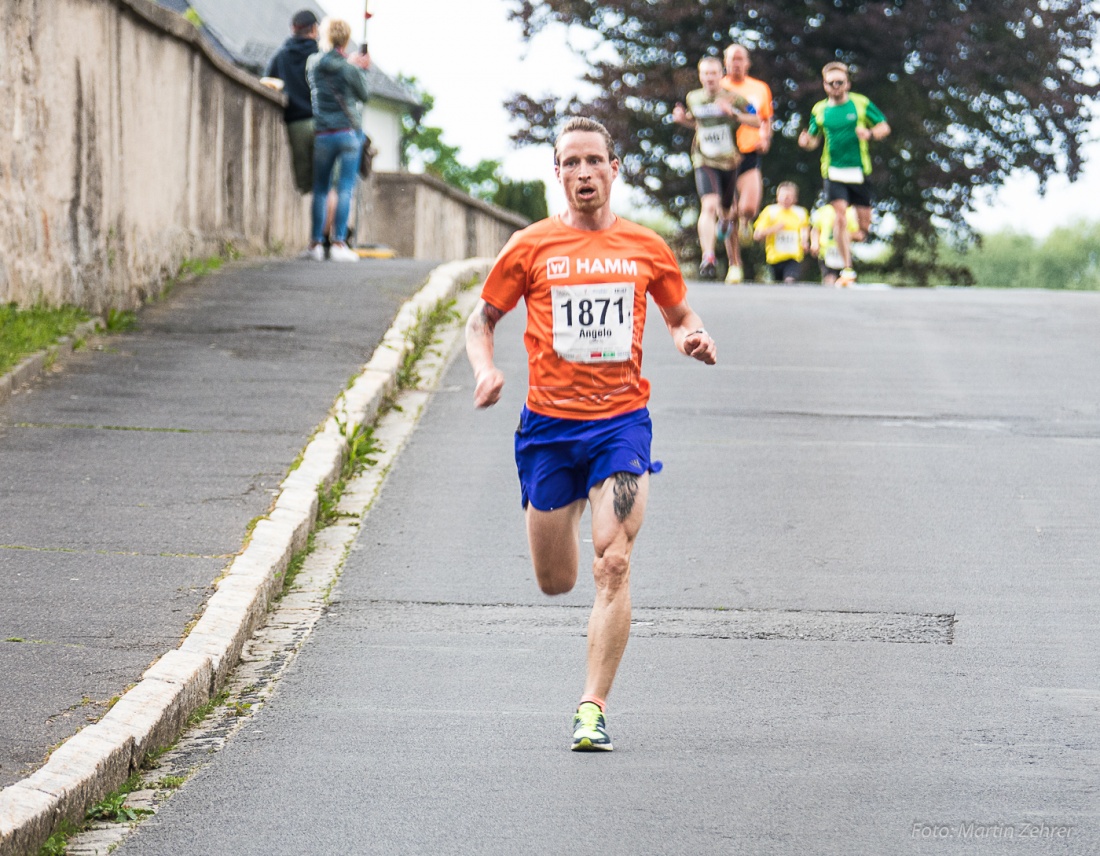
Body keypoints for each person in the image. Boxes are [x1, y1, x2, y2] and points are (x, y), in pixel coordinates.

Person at [464, 117, 717, 752]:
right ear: (558, 173)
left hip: (620, 422)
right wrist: (486, 369)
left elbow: (679, 311)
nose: (583, 173)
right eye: (570, 163)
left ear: (613, 168)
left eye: (594, 161)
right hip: (548, 429)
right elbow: (480, 321)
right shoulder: (529, 246)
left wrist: (689, 336)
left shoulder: (645, 247)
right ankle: (566, 503)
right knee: (557, 581)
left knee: (614, 561)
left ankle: (591, 708)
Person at [798, 62, 890, 286]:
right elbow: (812, 139)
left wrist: (868, 133)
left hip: (858, 171)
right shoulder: (819, 110)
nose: (836, 86)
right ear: (825, 86)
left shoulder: (860, 103)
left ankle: (844, 243)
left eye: (840, 82)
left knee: (862, 229)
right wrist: (806, 142)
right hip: (833, 170)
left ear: (847, 83)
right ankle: (847, 269)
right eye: (831, 83)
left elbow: (884, 127)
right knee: (839, 216)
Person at [672, 56, 759, 281]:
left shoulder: (734, 97)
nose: (709, 78)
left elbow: (757, 119)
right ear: (700, 76)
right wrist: (683, 120)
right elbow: (698, 121)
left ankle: (726, 222)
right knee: (709, 205)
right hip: (704, 159)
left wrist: (734, 113)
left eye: (713, 73)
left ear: (721, 75)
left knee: (727, 212)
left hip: (729, 161)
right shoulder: (694, 98)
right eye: (705, 74)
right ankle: (708, 257)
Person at [305, 18, 371, 262]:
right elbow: (364, 95)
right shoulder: (349, 68)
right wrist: (360, 68)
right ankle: (339, 244)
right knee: (345, 189)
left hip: (323, 133)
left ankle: (315, 244)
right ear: (346, 38)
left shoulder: (313, 63)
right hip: (347, 133)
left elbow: (314, 78)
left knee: (321, 189)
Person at [719, 44, 775, 284]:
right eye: (732, 59)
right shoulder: (718, 88)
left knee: (749, 207)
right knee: (727, 211)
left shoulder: (759, 88)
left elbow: (766, 119)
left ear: (747, 63)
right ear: (725, 62)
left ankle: (745, 222)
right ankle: (735, 265)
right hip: (722, 154)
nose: (736, 63)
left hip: (749, 152)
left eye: (740, 59)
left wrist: (765, 138)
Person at [264, 10, 320, 195]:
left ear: (293, 29)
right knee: (325, 182)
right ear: (313, 29)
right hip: (321, 123)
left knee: (304, 185)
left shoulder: (281, 56)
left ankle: (309, 222)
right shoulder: (320, 56)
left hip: (295, 124)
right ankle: (328, 224)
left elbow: (268, 83)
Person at [752, 181, 810, 284]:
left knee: (790, 280)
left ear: (795, 198)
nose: (786, 199)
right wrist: (773, 229)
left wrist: (804, 241)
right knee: (778, 285)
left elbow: (804, 229)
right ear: (777, 196)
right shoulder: (770, 211)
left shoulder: (800, 213)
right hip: (774, 259)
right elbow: (757, 235)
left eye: (789, 196)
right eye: (783, 196)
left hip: (793, 257)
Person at [809, 202, 861, 286]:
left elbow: (859, 234)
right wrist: (814, 243)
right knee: (829, 278)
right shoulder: (823, 211)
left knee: (845, 281)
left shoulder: (850, 212)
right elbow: (816, 229)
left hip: (843, 254)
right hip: (826, 252)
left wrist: (846, 234)